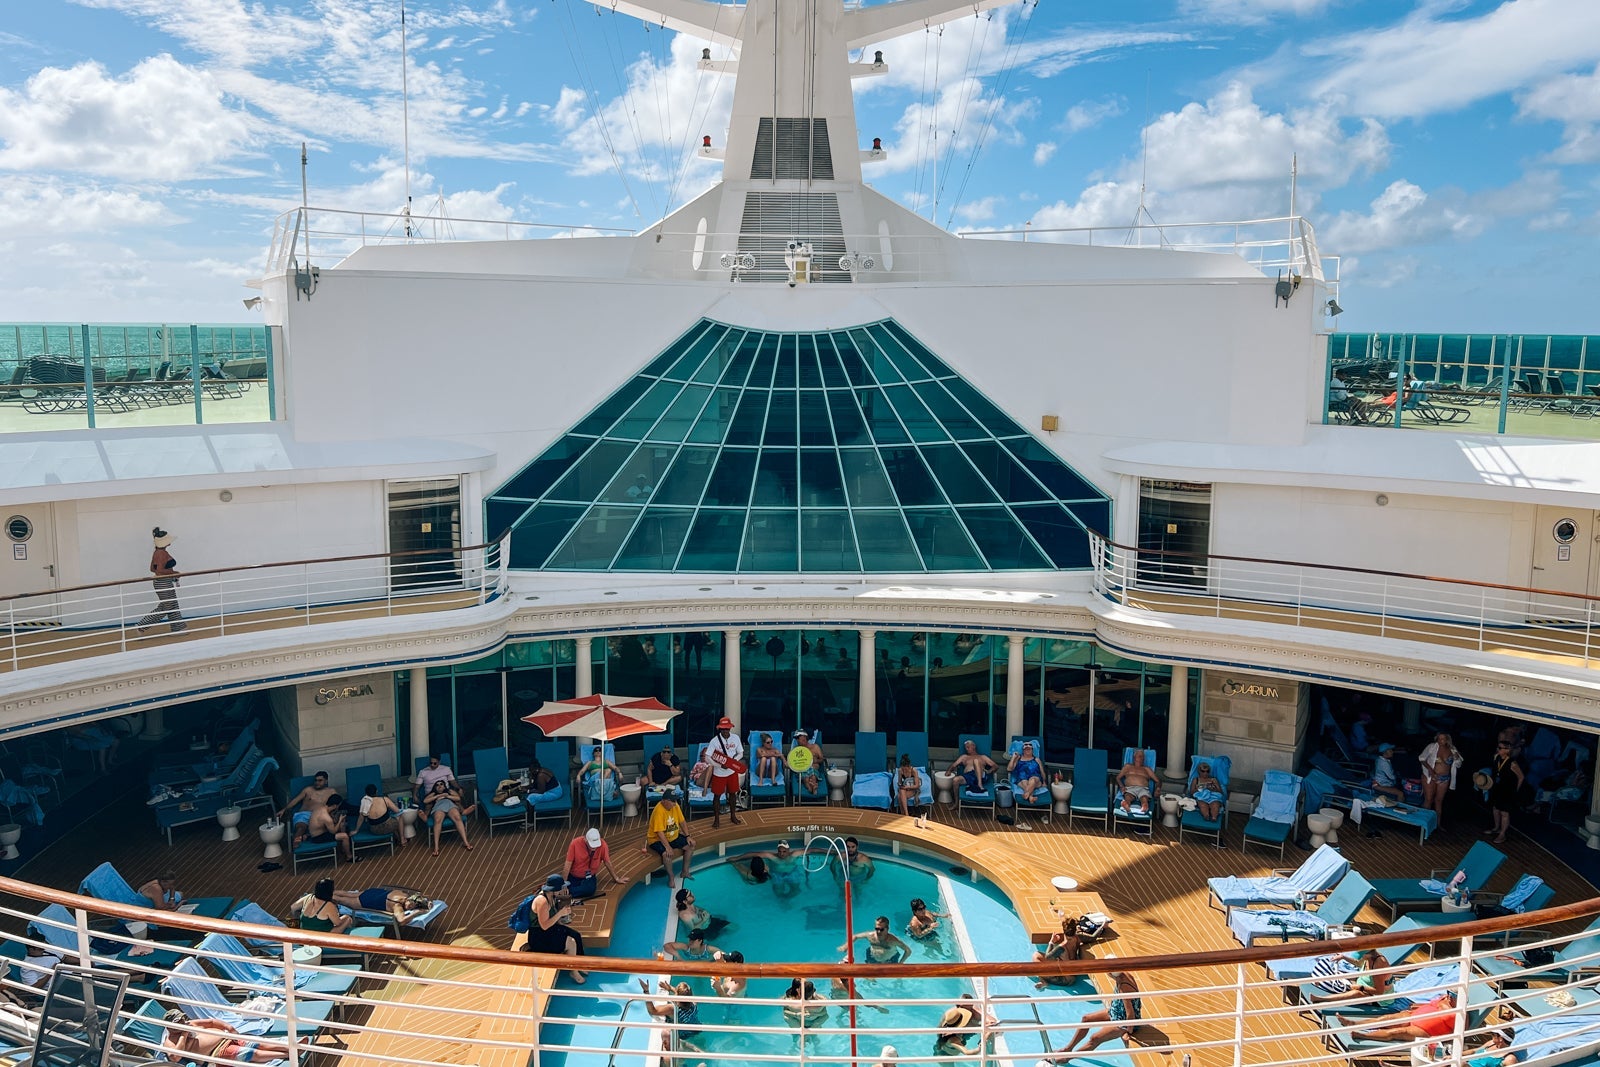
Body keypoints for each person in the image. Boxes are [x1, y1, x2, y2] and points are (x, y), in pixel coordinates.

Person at [1045, 968, 1143, 1059]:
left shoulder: (1124, 988)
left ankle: (1067, 1058)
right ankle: (1068, 1049)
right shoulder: (1123, 974)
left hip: (1124, 1022)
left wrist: (1128, 1031)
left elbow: (1130, 1014)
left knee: (1095, 1038)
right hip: (1116, 1012)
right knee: (1086, 1019)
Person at [162, 1008, 290, 1065]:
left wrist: (229, 1028)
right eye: (179, 1021)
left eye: (183, 1018)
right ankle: (286, 1055)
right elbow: (175, 1057)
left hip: (227, 1039)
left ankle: (291, 1048)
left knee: (259, 1044)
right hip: (216, 1053)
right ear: (169, 1027)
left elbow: (211, 1022)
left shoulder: (190, 1023)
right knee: (251, 1053)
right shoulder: (170, 1041)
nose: (183, 1022)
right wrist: (183, 1035)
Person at [523, 874, 586, 983]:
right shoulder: (542, 901)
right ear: (554, 890)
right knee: (571, 942)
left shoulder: (551, 896)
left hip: (550, 929)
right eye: (561, 887)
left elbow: (554, 916)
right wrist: (561, 913)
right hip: (539, 936)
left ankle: (580, 963)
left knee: (576, 935)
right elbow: (544, 926)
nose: (563, 889)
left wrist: (565, 902)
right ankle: (574, 971)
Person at [1339, 991, 1458, 1042]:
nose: (1449, 996)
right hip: (1413, 1015)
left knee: (1397, 1032)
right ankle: (1353, 1023)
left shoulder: (1459, 1012)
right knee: (1385, 1019)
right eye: (1449, 993)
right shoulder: (1444, 998)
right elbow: (1430, 1004)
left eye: (1452, 995)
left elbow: (1456, 1032)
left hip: (1425, 1030)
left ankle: (1362, 1035)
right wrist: (1416, 1007)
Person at [136, 527, 186, 634]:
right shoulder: (161, 553)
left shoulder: (157, 552)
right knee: (168, 606)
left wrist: (171, 573)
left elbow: (152, 569)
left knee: (172, 604)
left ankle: (178, 628)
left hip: (163, 581)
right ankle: (142, 625)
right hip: (163, 582)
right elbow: (159, 570)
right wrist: (174, 573)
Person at [638, 979, 703, 1054]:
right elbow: (684, 995)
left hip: (684, 1037)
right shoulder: (694, 1003)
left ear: (677, 996)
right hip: (697, 1031)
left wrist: (646, 991)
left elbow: (652, 1011)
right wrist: (670, 988)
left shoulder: (673, 1009)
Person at [646, 789, 695, 887]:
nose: (675, 803)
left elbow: (682, 821)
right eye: (672, 801)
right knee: (666, 854)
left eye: (675, 800)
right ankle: (671, 877)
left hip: (673, 836)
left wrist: (688, 836)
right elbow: (659, 833)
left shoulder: (675, 806)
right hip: (656, 839)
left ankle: (685, 871)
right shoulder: (658, 811)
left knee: (691, 845)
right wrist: (668, 847)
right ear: (665, 801)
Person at [277, 771, 336, 848]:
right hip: (304, 815)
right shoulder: (308, 790)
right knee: (301, 828)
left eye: (320, 780)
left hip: (319, 816)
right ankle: (296, 844)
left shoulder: (331, 792)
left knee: (331, 825)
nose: (317, 783)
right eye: (316, 780)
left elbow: (336, 803)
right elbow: (295, 800)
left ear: (326, 781)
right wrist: (284, 809)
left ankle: (308, 836)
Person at [705, 717, 745, 828]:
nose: (725, 731)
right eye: (723, 729)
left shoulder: (735, 738)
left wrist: (732, 762)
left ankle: (733, 816)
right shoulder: (714, 741)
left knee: (733, 794)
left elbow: (741, 753)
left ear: (730, 728)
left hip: (732, 772)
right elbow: (707, 757)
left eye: (727, 728)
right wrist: (719, 765)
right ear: (720, 729)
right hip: (719, 773)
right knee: (717, 796)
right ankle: (716, 819)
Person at [563, 827, 625, 898]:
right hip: (574, 876)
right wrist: (563, 885)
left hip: (589, 877)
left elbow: (607, 862)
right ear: (585, 839)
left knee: (590, 890)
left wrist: (616, 878)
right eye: (592, 845)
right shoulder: (575, 843)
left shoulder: (603, 845)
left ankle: (568, 894)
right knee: (565, 885)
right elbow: (567, 865)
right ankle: (568, 893)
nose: (594, 848)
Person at [1418, 732, 1462, 826]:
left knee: (1439, 801)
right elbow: (1422, 758)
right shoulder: (1432, 747)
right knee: (1428, 799)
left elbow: (1459, 764)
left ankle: (1437, 825)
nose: (1441, 741)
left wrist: (1456, 758)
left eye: (1443, 739)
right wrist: (1430, 770)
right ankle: (1422, 823)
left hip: (1444, 778)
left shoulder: (1452, 749)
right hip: (1431, 776)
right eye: (1439, 738)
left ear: (1447, 739)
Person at [1033, 915, 1087, 988]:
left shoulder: (1062, 947)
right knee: (1056, 959)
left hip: (1065, 980)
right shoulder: (1077, 938)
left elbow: (1047, 957)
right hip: (1072, 972)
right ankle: (1042, 978)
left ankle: (1043, 981)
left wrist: (1051, 942)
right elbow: (1092, 937)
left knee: (1036, 957)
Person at [331, 888, 433, 926]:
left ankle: (329, 892)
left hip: (372, 892)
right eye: (410, 906)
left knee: (348, 894)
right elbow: (401, 921)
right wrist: (417, 912)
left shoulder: (403, 894)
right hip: (365, 901)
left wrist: (427, 903)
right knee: (341, 900)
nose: (409, 908)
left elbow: (421, 899)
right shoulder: (397, 906)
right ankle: (326, 897)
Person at [1488, 739, 1525, 844]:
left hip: (1507, 791)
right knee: (1495, 808)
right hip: (1497, 788)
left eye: (1500, 748)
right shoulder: (1496, 757)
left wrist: (1515, 791)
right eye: (1498, 747)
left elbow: (1521, 777)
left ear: (1507, 750)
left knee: (1504, 812)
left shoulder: (1512, 763)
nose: (1498, 749)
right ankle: (1496, 828)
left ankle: (1502, 834)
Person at [424, 779, 473, 856]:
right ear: (435, 787)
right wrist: (437, 796)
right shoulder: (433, 793)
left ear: (444, 786)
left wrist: (447, 796)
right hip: (438, 807)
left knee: (457, 817)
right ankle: (436, 846)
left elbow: (458, 798)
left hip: (449, 804)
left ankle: (465, 842)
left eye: (441, 784)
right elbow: (425, 801)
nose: (439, 786)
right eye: (437, 785)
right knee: (438, 820)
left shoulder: (449, 791)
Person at [840, 916, 910, 963]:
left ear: (887, 929)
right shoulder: (871, 936)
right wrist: (845, 946)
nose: (878, 932)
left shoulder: (893, 940)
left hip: (890, 960)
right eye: (877, 929)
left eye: (881, 929)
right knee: (868, 978)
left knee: (897, 977)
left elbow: (908, 951)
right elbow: (855, 936)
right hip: (873, 957)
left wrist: (901, 963)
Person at [357, 784, 405, 848]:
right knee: (399, 816)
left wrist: (356, 830)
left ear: (366, 794)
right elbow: (397, 811)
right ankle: (402, 839)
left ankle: (398, 838)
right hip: (389, 827)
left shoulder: (365, 803)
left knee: (389, 819)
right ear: (376, 791)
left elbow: (361, 818)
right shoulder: (384, 799)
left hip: (374, 830)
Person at [1117, 749, 1161, 815]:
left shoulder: (1147, 769)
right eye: (1140, 756)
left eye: (1143, 757)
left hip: (1143, 789)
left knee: (1144, 798)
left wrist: (1157, 788)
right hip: (1130, 788)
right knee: (1128, 797)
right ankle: (1126, 806)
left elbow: (1158, 781)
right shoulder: (1127, 767)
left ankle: (1144, 807)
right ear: (1134, 757)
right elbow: (1118, 778)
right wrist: (1121, 786)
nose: (1142, 758)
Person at [793, 730, 826, 797]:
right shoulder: (797, 750)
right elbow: (793, 761)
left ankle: (811, 788)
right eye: (797, 739)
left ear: (804, 738)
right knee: (806, 778)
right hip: (803, 768)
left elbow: (822, 759)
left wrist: (816, 761)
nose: (797, 740)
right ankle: (811, 788)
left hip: (814, 768)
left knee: (813, 776)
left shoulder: (815, 747)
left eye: (798, 738)